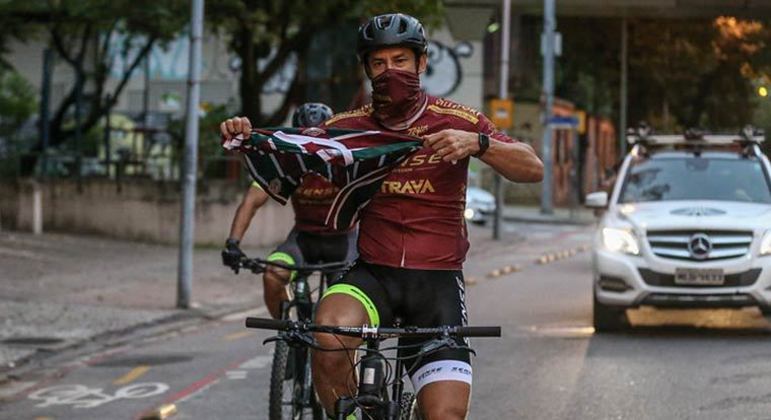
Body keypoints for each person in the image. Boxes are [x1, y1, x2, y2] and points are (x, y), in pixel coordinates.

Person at [220, 13, 543, 419]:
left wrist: (478, 144)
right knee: (327, 332)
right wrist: (247, 136)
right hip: (373, 276)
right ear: (367, 68)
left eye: (401, 60)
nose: (390, 70)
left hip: (438, 286)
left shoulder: (459, 120)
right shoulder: (346, 130)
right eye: (379, 63)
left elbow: (532, 168)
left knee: (445, 415)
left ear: (421, 63)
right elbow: (288, 154)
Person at [220, 102, 357, 319]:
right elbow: (251, 202)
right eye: (302, 139)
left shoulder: (346, 164)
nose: (311, 147)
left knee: (341, 302)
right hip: (303, 240)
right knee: (272, 275)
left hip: (343, 242)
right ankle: (288, 337)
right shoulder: (286, 166)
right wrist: (233, 243)